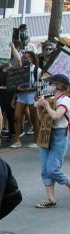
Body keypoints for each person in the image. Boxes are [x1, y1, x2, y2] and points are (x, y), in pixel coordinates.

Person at [34, 74, 70, 208]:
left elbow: (56, 116)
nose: (49, 86)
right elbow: (42, 119)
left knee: (53, 169)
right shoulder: (49, 99)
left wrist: (46, 106)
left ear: (59, 85)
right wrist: (39, 107)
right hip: (46, 133)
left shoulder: (65, 100)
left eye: (52, 83)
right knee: (45, 169)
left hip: (60, 134)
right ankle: (51, 199)